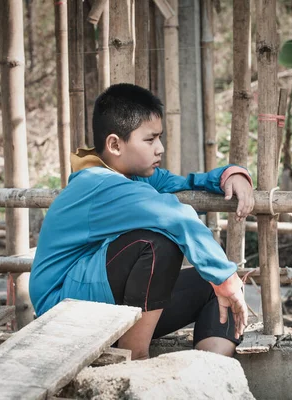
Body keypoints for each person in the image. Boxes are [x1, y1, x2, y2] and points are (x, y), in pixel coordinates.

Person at [29, 83, 253, 360]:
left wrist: (231, 174)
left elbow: (185, 184)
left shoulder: (133, 175)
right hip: (62, 308)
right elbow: (177, 215)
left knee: (218, 288)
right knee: (158, 242)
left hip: (101, 298)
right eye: (149, 140)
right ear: (115, 144)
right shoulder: (98, 184)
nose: (160, 148)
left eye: (159, 138)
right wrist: (224, 275)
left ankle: (210, 370)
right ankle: (135, 357)